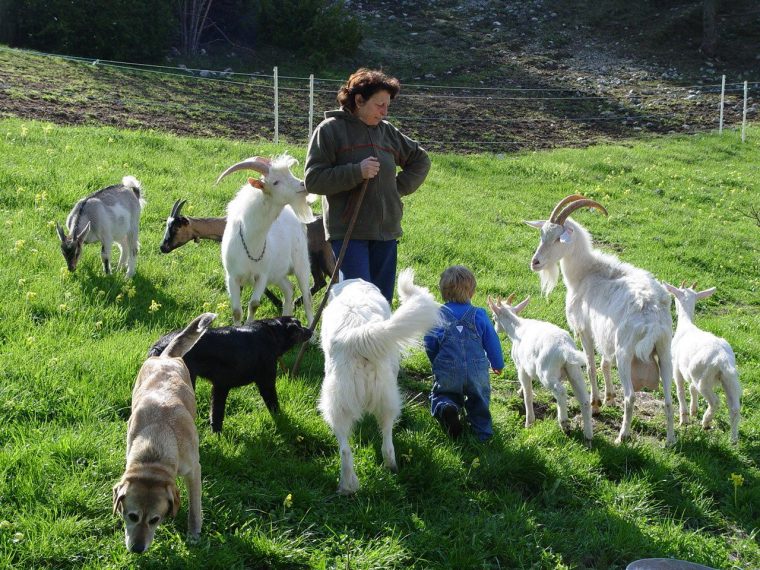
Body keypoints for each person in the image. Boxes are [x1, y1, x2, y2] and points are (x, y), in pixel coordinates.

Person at [304, 68, 431, 303]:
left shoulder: (387, 132)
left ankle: (379, 341)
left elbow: (420, 160)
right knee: (358, 301)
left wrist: (396, 188)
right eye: (379, 105)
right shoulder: (330, 130)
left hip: (386, 231)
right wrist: (356, 172)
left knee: (381, 301)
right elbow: (314, 180)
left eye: (387, 106)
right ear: (359, 100)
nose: (384, 112)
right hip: (350, 232)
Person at [424, 266, 504, 441]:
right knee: (479, 400)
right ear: (472, 292)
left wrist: (437, 362)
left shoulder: (438, 316)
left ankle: (447, 408)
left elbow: (429, 343)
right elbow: (492, 341)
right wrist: (497, 364)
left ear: (443, 293)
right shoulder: (479, 315)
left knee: (442, 394)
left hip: (448, 368)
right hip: (477, 371)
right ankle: (483, 435)